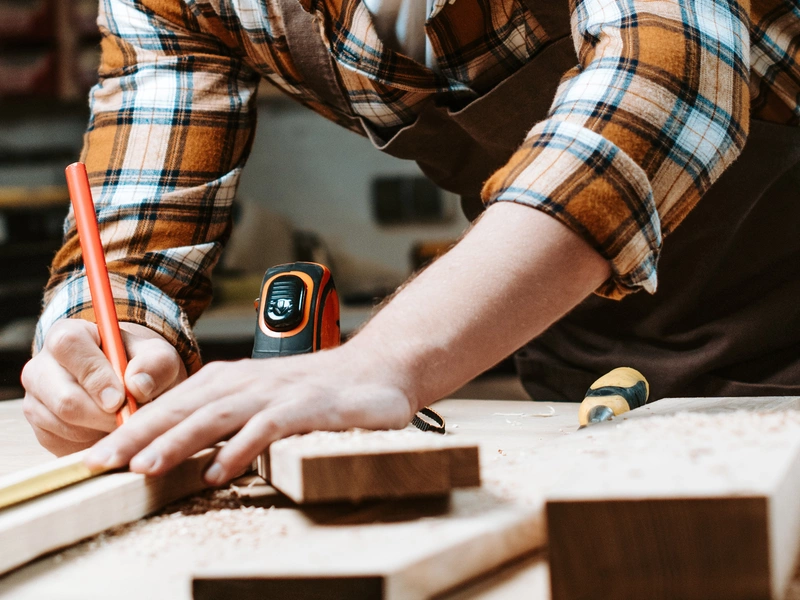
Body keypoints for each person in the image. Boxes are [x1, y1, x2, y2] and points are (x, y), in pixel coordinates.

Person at [21, 0, 799, 485]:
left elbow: (671, 69)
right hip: (593, 373)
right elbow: (135, 236)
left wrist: (385, 358)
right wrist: (106, 337)